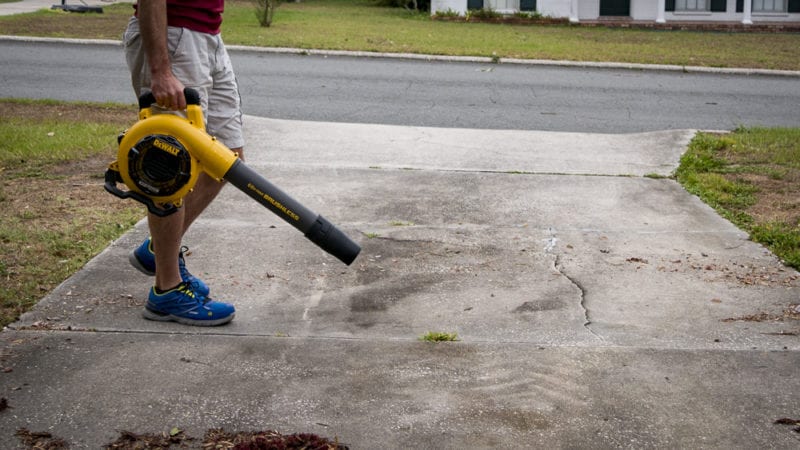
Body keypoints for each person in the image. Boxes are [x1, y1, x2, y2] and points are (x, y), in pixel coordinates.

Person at [122, 0, 243, 326]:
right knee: (172, 170)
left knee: (227, 156)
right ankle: (167, 290)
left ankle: (157, 250)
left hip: (207, 35)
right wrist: (160, 70)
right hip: (173, 39)